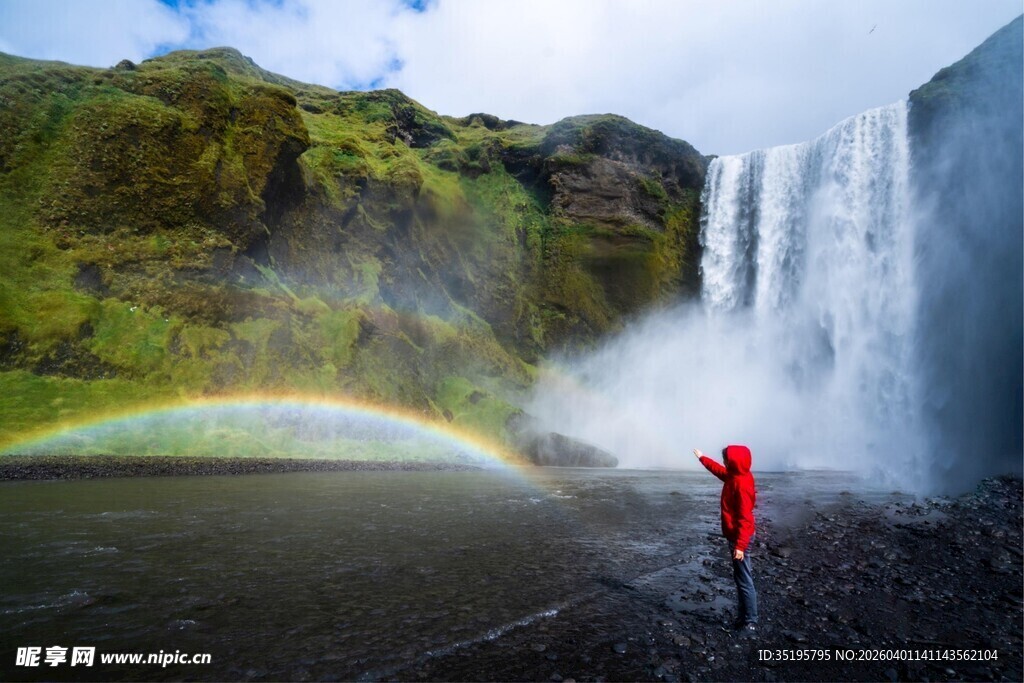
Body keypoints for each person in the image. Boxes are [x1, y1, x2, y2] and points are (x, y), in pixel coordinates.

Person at [694, 445, 758, 632]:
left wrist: (740, 546)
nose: (723, 462)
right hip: (738, 536)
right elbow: (719, 471)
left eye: (726, 460)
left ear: (732, 462)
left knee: (744, 580)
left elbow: (745, 519)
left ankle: (750, 622)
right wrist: (703, 458)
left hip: (740, 537)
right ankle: (743, 618)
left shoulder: (741, 485)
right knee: (741, 578)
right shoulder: (737, 476)